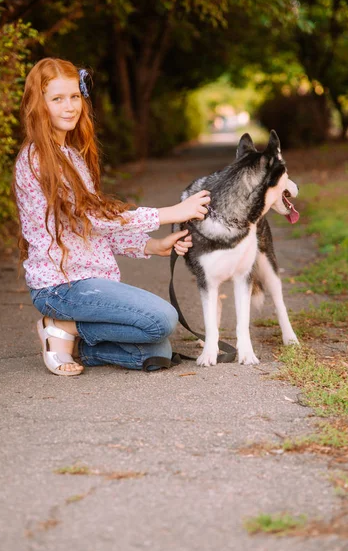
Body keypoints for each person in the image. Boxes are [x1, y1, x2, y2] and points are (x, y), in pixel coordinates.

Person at [13, 57, 210, 376]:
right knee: (161, 320)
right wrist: (170, 213)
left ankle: (71, 340)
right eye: (57, 99)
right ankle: (62, 324)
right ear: (39, 105)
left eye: (75, 96)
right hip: (60, 286)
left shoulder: (71, 157)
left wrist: (152, 246)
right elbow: (95, 218)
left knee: (157, 350)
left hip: (90, 281)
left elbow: (91, 227)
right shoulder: (37, 160)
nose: (69, 107)